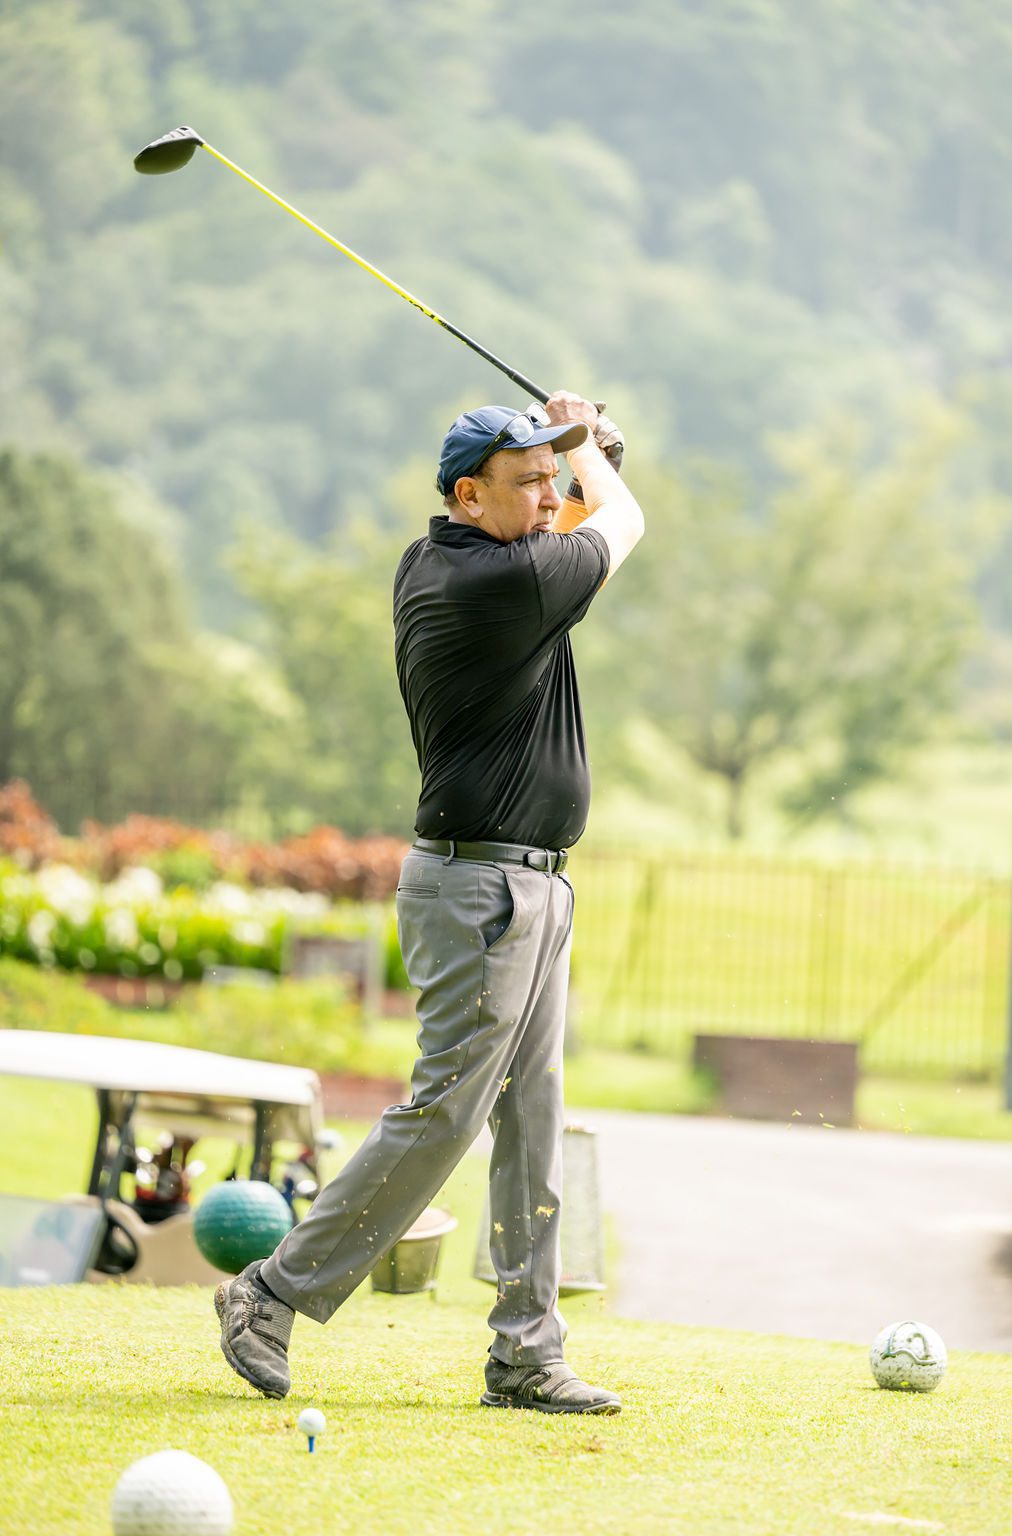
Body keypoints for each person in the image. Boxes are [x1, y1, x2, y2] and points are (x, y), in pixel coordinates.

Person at [214, 390, 645, 1414]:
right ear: (467, 495)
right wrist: (590, 449)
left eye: (551, 481)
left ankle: (526, 1352)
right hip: (481, 889)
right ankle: (271, 1291)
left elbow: (578, 513)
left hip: (532, 884)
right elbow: (621, 521)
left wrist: (578, 449)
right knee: (446, 1110)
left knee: (532, 1120)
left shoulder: (460, 556)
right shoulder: (499, 583)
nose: (546, 499)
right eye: (526, 482)